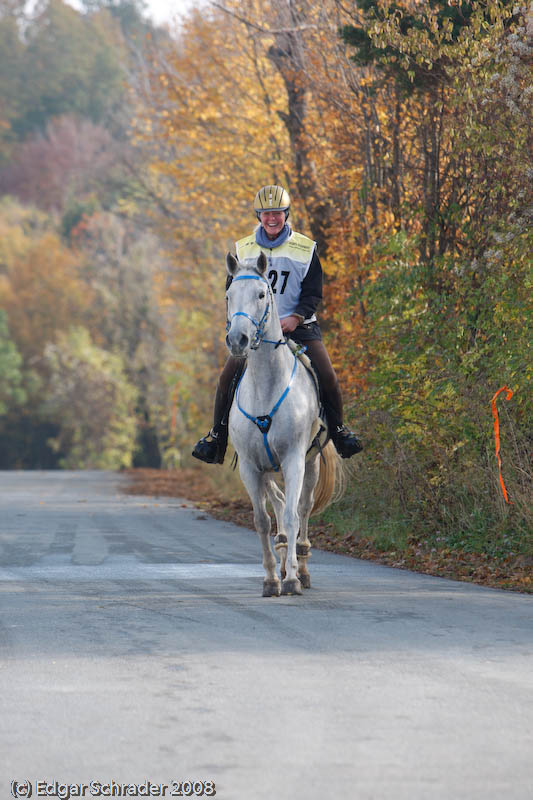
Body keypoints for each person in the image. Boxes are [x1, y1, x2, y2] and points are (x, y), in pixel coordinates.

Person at [192, 184, 362, 464]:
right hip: (255, 332)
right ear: (258, 216)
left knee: (328, 375)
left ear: (286, 214)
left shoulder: (305, 248)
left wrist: (295, 317)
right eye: (266, 214)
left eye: (278, 213)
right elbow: (232, 292)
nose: (272, 219)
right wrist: (237, 323)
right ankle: (216, 437)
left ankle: (340, 431)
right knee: (226, 378)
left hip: (299, 326)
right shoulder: (243, 249)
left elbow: (313, 292)